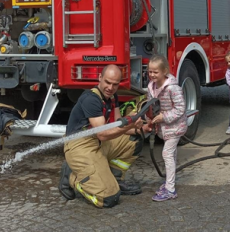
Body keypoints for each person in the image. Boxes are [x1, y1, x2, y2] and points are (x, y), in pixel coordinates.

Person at [59, 65, 144, 208]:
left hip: (96, 142)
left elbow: (118, 125)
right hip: (79, 146)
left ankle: (114, 178)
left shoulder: (112, 97)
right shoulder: (91, 99)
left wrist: (141, 129)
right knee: (109, 199)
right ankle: (72, 177)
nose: (110, 87)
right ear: (100, 78)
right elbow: (103, 134)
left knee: (134, 140)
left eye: (115, 84)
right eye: (107, 82)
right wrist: (131, 125)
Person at [143, 55, 187, 202]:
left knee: (167, 153)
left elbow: (180, 108)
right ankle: (170, 181)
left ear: (165, 72)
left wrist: (164, 117)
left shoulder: (173, 88)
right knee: (171, 154)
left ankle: (170, 189)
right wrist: (150, 119)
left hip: (175, 126)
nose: (152, 75)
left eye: (156, 72)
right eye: (150, 72)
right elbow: (151, 106)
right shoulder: (151, 87)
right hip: (164, 127)